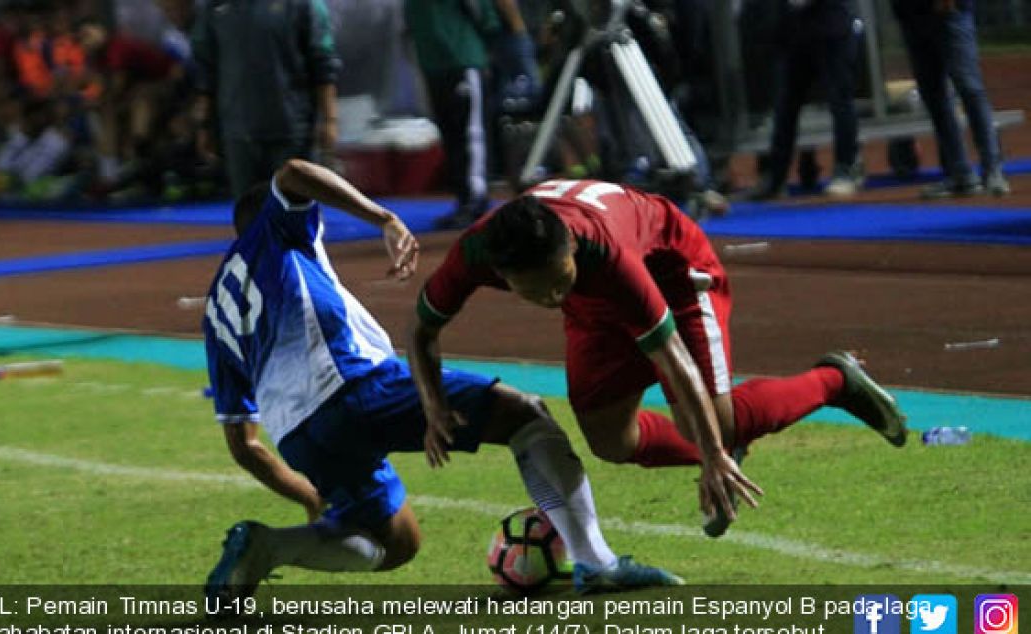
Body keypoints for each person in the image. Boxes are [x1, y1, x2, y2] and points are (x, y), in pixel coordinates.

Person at [201, 160, 678, 602]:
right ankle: (596, 564)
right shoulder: (279, 230)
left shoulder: (216, 312)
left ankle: (269, 547)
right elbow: (293, 172)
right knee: (526, 415)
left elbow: (244, 445)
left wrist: (308, 493)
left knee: (395, 543)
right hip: (354, 384)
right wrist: (383, 216)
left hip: (300, 438)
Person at [408, 178, 908, 537]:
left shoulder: (605, 257)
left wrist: (711, 449)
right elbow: (422, 331)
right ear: (500, 272)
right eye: (536, 292)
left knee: (713, 423)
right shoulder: (476, 253)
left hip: (674, 273)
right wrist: (433, 407)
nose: (552, 297)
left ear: (571, 248)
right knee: (610, 438)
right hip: (597, 301)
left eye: (559, 281)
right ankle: (720, 452)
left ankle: (834, 380)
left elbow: (670, 355)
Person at [191, 0, 340, 197]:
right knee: (249, 216)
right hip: (237, 133)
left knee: (293, 212)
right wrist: (204, 124)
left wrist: (330, 120)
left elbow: (323, 63)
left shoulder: (305, 4)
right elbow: (205, 68)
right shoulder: (214, 7)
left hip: (291, 130)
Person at [746, 0, 864, 200]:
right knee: (785, 107)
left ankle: (847, 168)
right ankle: (776, 177)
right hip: (793, 28)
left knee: (840, 100)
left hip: (830, 24)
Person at [891, 0, 1009, 198]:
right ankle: (960, 173)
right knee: (934, 95)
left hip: (949, 11)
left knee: (969, 87)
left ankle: (992, 169)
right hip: (911, 15)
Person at [403, 0, 497, 230]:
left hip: (462, 59)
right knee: (450, 135)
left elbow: (485, 16)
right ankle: (464, 198)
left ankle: (476, 198)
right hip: (433, 63)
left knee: (470, 132)